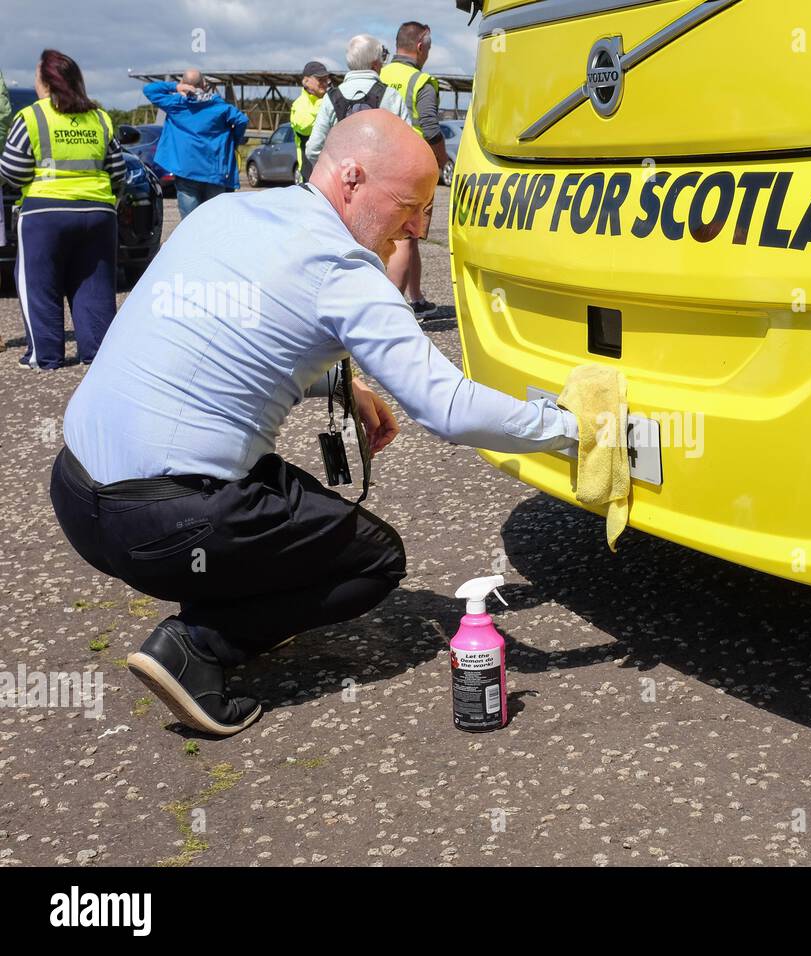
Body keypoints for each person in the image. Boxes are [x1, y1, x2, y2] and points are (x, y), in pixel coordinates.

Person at [49, 111, 579, 737]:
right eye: (408, 206)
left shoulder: (225, 212)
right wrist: (572, 426)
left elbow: (221, 332)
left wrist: (341, 382)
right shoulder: (346, 271)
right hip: (165, 523)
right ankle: (197, 646)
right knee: (374, 560)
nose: (415, 228)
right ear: (351, 178)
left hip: (76, 495)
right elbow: (449, 408)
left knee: (264, 487)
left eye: (426, 210)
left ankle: (210, 602)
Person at [0, 49, 125, 370]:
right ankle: (97, 354)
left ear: (44, 82)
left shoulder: (32, 117)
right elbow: (118, 172)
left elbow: (12, 171)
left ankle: (45, 356)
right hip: (98, 214)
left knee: (39, 284)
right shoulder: (99, 117)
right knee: (95, 285)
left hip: (45, 214)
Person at [381, 21, 451, 315]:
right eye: (429, 49)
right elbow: (431, 128)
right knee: (407, 237)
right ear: (420, 47)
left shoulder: (380, 74)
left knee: (397, 236)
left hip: (380, 163)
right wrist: (442, 159)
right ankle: (393, 309)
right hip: (412, 169)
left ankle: (417, 298)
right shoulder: (421, 83)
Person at [143, 70, 248, 219]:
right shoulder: (219, 106)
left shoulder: (176, 104)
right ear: (204, 84)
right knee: (216, 220)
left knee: (190, 221)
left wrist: (176, 87)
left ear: (185, 84)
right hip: (214, 172)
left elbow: (149, 90)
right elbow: (242, 121)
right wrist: (233, 142)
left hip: (186, 170)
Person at [304, 34, 411, 169]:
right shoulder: (391, 96)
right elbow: (409, 147)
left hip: (339, 183)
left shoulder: (331, 98)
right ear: (375, 64)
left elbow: (313, 149)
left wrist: (333, 172)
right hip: (380, 183)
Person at [290, 61, 331, 184]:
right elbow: (305, 127)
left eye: (326, 79)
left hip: (331, 170)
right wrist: (326, 105)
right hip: (310, 173)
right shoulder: (299, 104)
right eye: (320, 79)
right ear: (306, 81)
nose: (325, 83)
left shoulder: (329, 100)